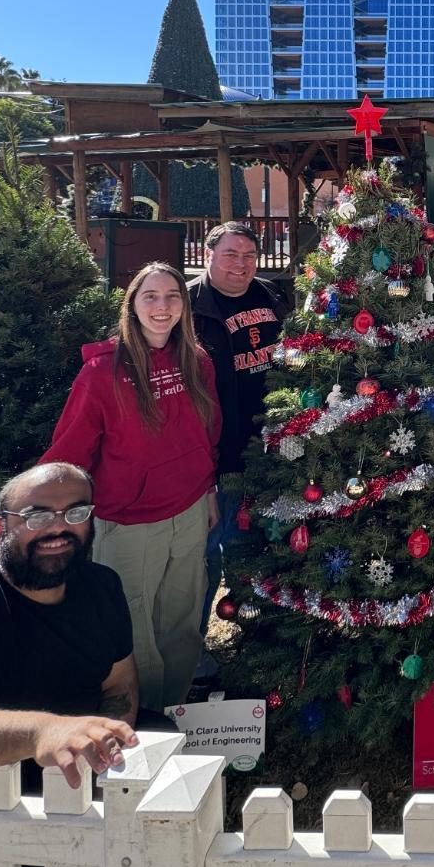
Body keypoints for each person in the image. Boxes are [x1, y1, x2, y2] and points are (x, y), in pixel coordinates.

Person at [42, 263, 221, 712]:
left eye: (172, 297)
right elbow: (69, 451)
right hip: (129, 523)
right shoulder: (102, 373)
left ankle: (172, 714)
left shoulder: (196, 361)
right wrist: (51, 514)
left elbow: (209, 431)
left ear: (184, 304)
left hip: (190, 511)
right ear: (132, 305)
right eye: (151, 297)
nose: (162, 308)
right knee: (133, 633)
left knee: (181, 624)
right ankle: (139, 726)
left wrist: (210, 490)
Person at [0, 463, 139, 727]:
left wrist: (108, 743)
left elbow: (119, 683)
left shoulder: (102, 586)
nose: (58, 529)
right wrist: (47, 737)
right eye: (37, 517)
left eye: (76, 513)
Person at [188, 222, 289, 636]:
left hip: (270, 449)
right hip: (218, 453)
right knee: (208, 553)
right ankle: (191, 648)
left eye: (249, 256)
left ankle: (256, 632)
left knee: (256, 547)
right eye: (231, 255)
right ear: (208, 255)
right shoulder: (189, 304)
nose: (241, 265)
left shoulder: (270, 295)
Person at [0, 700, 136, 787]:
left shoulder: (103, 625)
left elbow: (118, 683)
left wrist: (106, 767)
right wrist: (39, 731)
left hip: (85, 824)